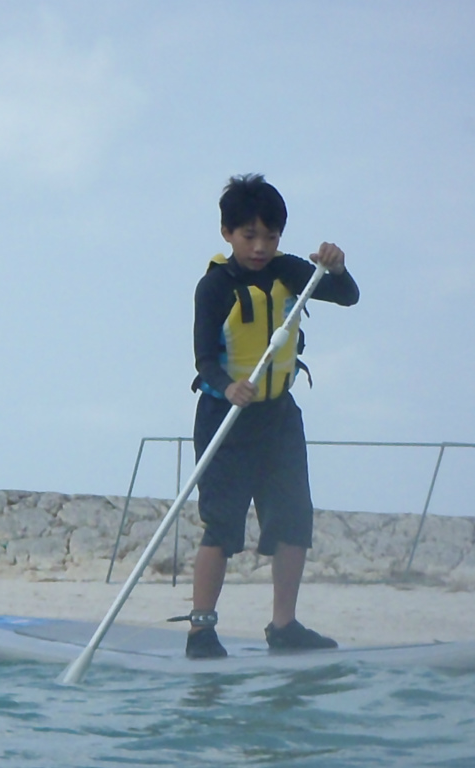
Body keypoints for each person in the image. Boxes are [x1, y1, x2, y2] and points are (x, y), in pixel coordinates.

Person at [184, 174, 360, 659]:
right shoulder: (215, 286)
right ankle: (201, 631)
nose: (260, 247)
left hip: (280, 416)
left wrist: (337, 268)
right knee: (222, 525)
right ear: (227, 234)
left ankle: (284, 627)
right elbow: (203, 360)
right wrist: (227, 386)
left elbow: (348, 296)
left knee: (292, 521)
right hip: (226, 419)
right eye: (249, 236)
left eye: (270, 236)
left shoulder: (288, 271)